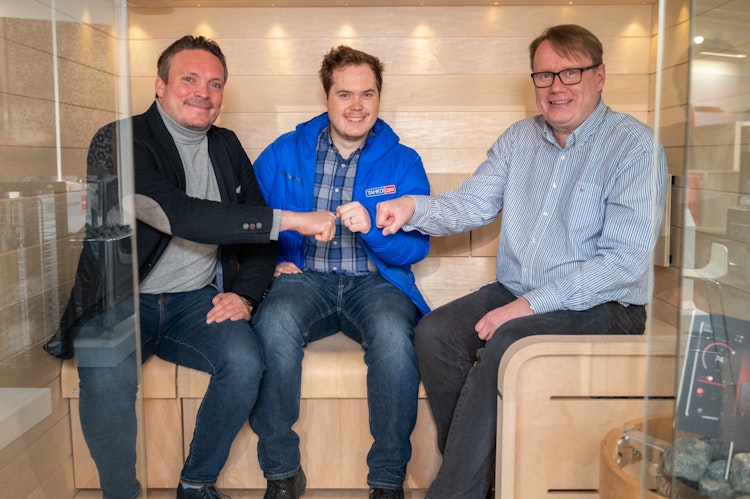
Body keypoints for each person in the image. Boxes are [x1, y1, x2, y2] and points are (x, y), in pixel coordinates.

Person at [375, 24, 669, 499]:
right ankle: (485, 479)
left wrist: (529, 306)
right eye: (544, 75)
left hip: (604, 305)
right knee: (434, 333)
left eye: (570, 72)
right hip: (519, 291)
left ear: (600, 76)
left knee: (509, 340)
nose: (556, 87)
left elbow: (623, 263)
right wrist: (413, 207)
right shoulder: (518, 139)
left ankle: (454, 491)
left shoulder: (634, 147)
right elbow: (472, 205)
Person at [44, 35, 335, 499]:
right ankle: (121, 492)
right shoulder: (117, 141)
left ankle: (195, 484)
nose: (204, 91)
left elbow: (255, 242)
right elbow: (175, 213)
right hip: (120, 300)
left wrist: (244, 295)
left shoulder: (226, 146)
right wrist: (293, 220)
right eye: (190, 79)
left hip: (194, 303)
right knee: (103, 374)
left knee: (245, 361)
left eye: (215, 83)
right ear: (160, 86)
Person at [248, 45, 431, 499]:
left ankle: (388, 480)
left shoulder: (403, 161)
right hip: (304, 279)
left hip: (376, 282)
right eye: (344, 94)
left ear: (378, 98)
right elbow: (247, 219)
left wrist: (374, 229)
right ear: (327, 97)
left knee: (393, 337)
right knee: (272, 324)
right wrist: (272, 265)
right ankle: (281, 472)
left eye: (367, 94)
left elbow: (417, 246)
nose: (356, 106)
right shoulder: (285, 151)